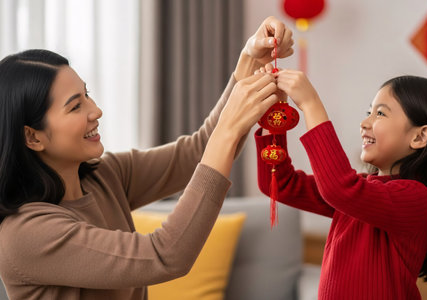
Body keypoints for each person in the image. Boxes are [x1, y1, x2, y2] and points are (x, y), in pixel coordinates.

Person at [0, 17, 293, 300]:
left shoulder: (105, 175)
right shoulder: (26, 235)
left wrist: (251, 59)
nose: (95, 111)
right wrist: (229, 127)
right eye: (76, 106)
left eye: (87, 94)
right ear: (32, 137)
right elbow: (166, 255)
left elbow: (198, 151)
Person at [255, 64, 427, 299]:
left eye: (380, 113)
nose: (365, 123)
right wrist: (274, 111)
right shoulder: (361, 190)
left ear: (419, 136)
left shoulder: (416, 199)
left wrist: (310, 103)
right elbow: (279, 184)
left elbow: (339, 188)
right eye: (368, 112)